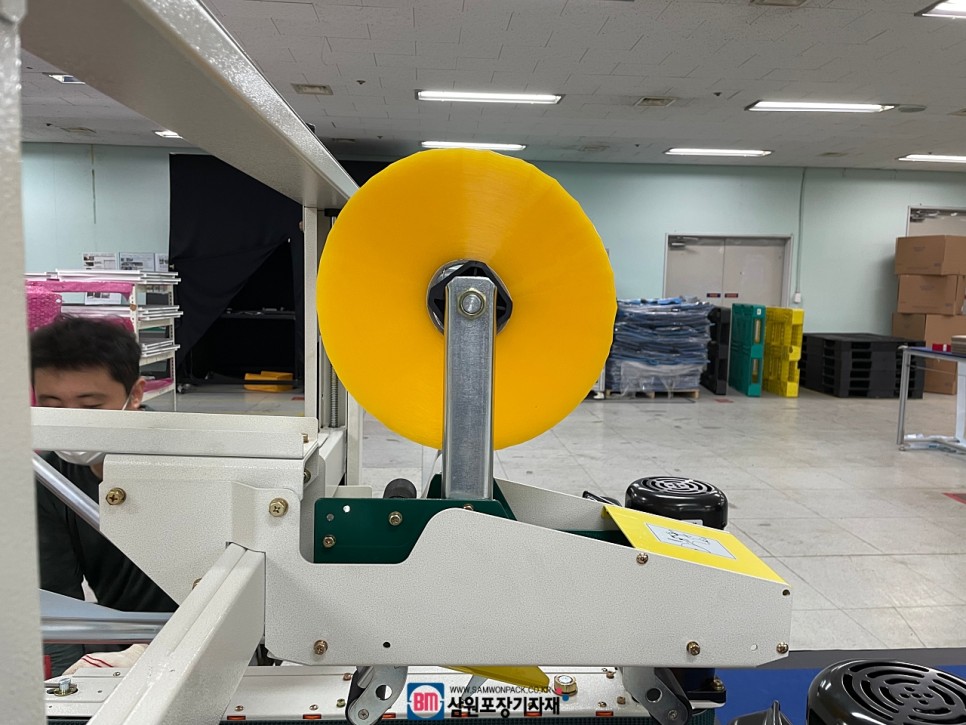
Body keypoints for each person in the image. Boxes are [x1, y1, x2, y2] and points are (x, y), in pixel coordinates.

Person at [31, 316, 176, 676]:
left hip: (202, 637)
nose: (71, 422)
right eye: (52, 405)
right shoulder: (49, 480)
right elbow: (58, 600)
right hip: (118, 645)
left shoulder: (188, 461)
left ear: (135, 395)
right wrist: (65, 688)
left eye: (91, 406)